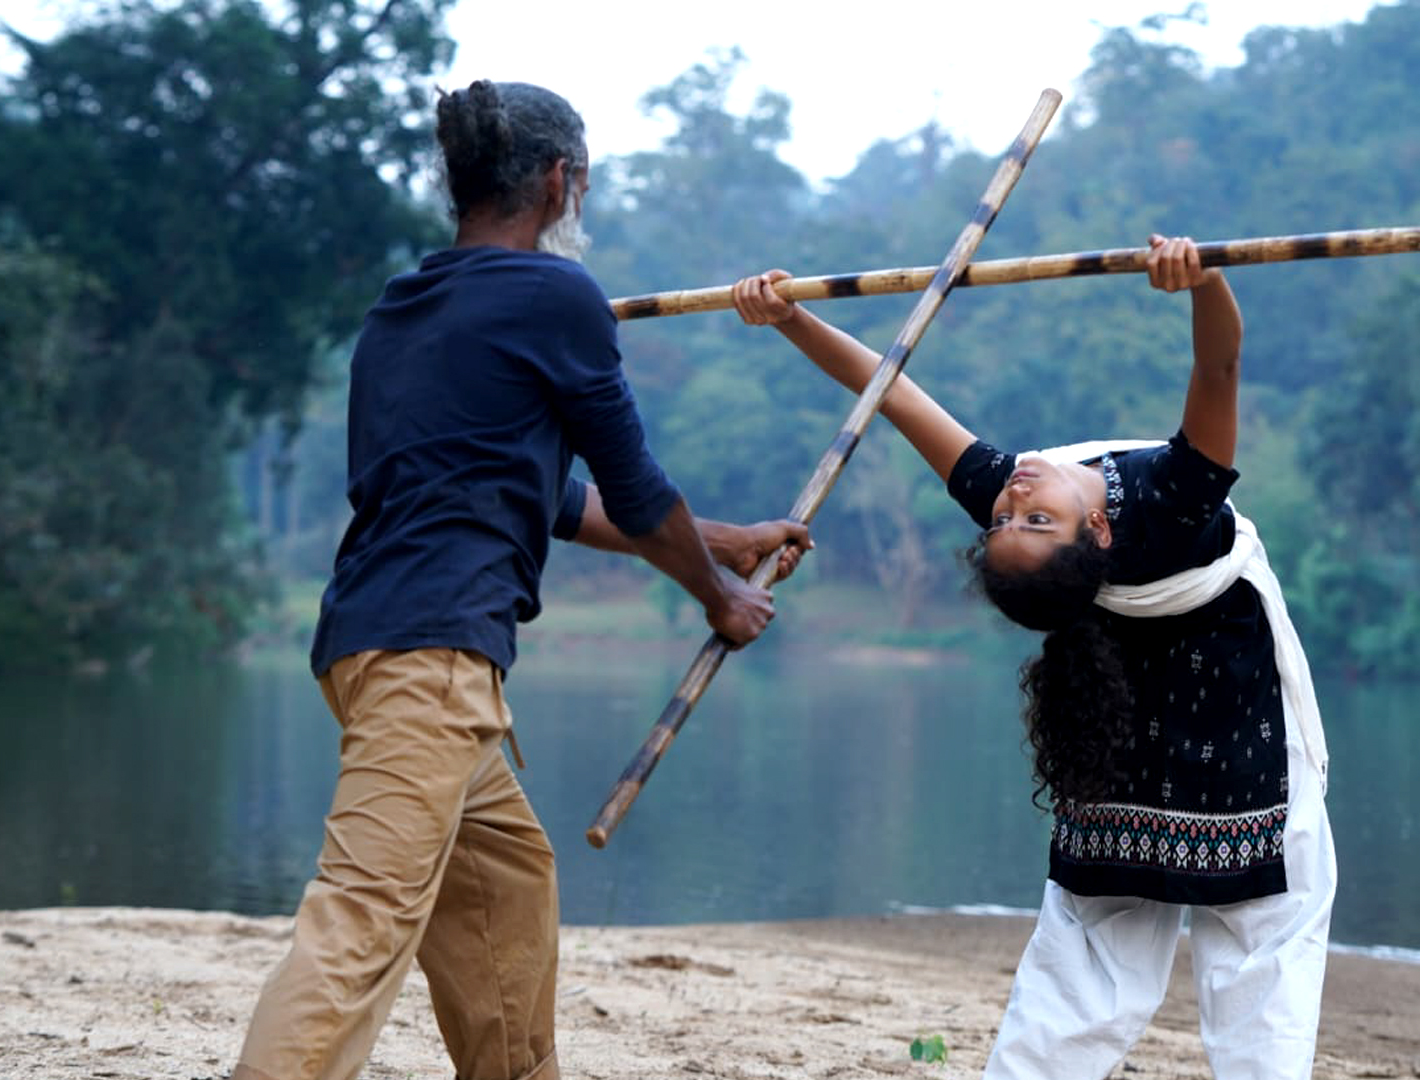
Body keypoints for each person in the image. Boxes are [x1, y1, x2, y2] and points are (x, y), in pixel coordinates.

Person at [232, 80, 810, 1080]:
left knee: (505, 883)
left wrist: (723, 540)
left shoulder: (405, 308)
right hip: (431, 656)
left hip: (381, 645)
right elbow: (632, 489)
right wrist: (720, 596)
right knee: (362, 925)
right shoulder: (556, 296)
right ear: (559, 181)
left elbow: (548, 497)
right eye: (581, 180)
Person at [730, 236, 1334, 1080]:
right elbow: (1220, 371)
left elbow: (890, 396)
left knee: (1115, 965)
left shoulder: (1014, 489)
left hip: (1128, 736)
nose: (1013, 502)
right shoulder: (1170, 504)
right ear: (1097, 533)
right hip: (1228, 734)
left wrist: (789, 318)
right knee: (1262, 950)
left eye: (1010, 520)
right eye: (1032, 519)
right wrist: (1205, 284)